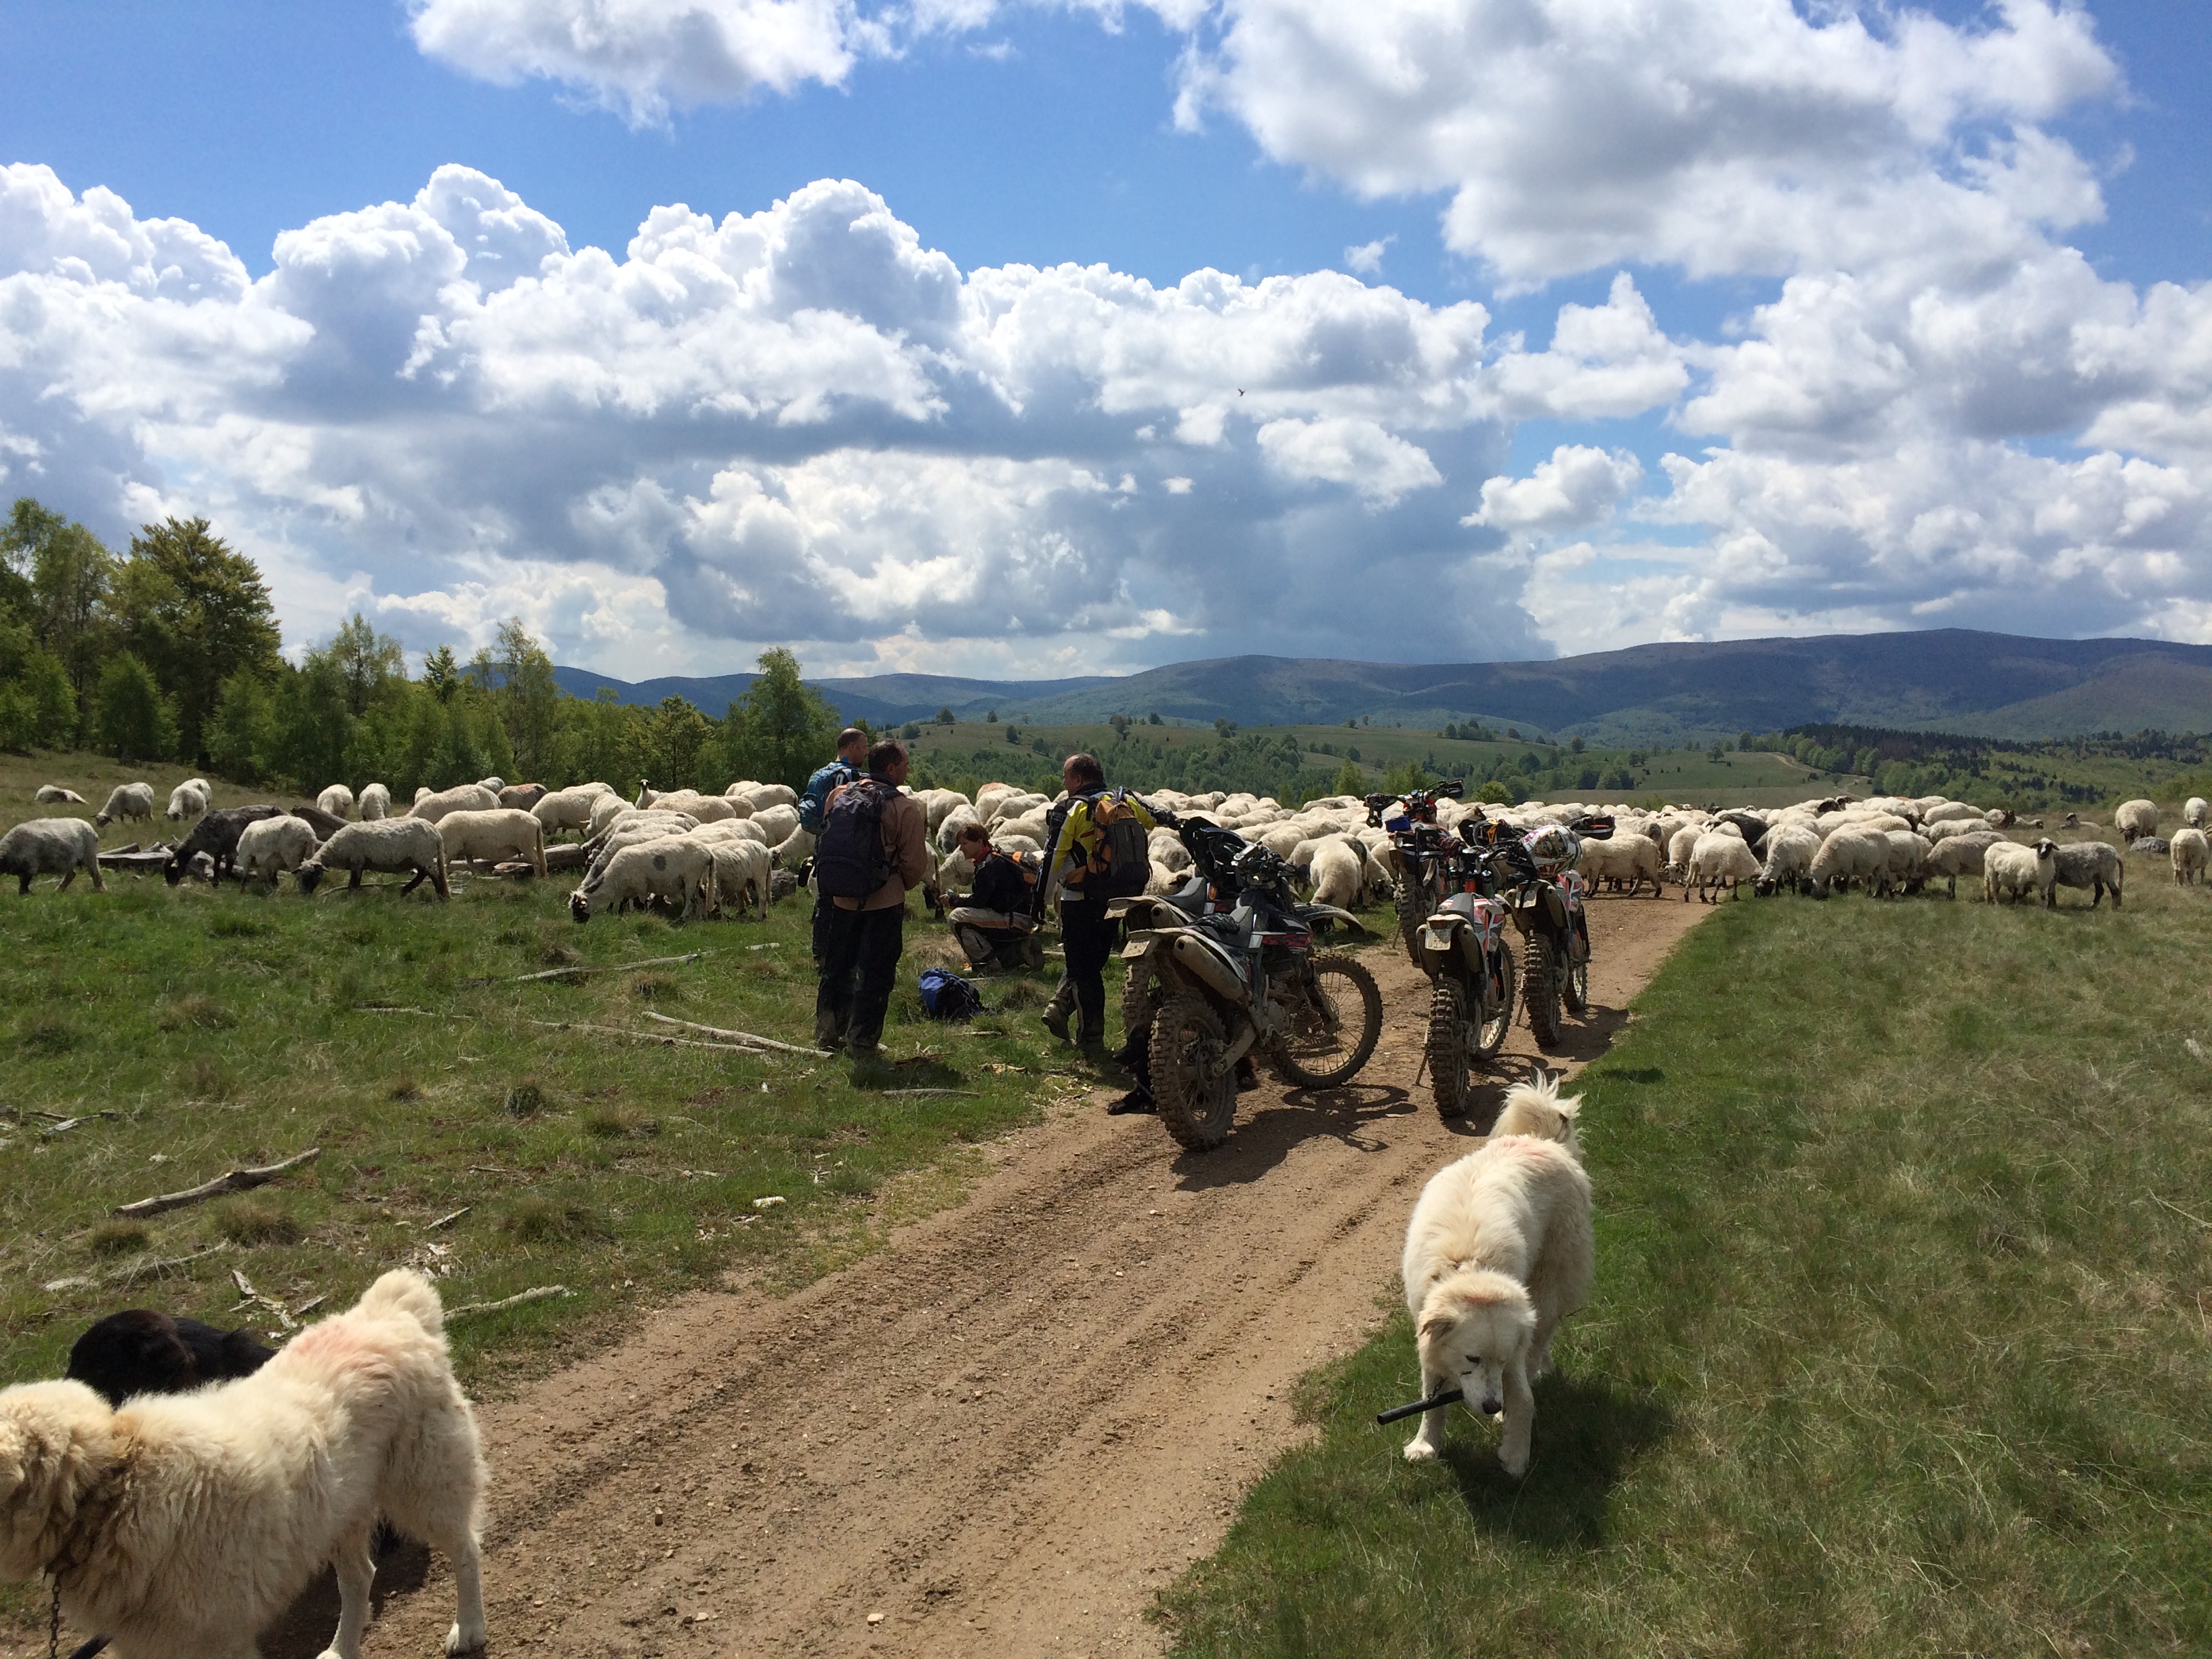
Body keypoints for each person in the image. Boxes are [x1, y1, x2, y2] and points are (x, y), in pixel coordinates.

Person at [1036, 753, 1167, 1063]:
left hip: (1080, 900)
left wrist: (1039, 902)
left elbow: (1054, 857)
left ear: (1079, 779)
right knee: (1091, 964)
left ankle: (1091, 1040)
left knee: (1084, 972)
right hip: (1116, 900)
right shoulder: (1125, 802)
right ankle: (1061, 1009)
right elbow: (1152, 819)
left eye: (1066, 778)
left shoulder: (1074, 808)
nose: (1064, 784)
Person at [813, 739, 928, 1064]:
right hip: (884, 902)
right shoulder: (905, 808)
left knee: (837, 966)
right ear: (891, 769)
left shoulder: (839, 795)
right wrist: (898, 885)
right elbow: (915, 865)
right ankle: (863, 1041)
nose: (908, 770)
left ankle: (828, 1030)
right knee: (876, 972)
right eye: (905, 765)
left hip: (841, 897)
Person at [800, 727, 870, 964]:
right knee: (852, 898)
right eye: (864, 746)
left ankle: (820, 952)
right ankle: (848, 953)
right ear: (852, 748)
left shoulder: (820, 775)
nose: (867, 752)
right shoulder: (857, 777)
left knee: (825, 898)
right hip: (853, 845)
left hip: (825, 844)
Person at [945, 821, 1041, 972]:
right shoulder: (994, 858)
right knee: (970, 917)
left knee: (957, 918)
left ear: (979, 842)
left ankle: (986, 964)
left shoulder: (988, 866)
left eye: (965, 844)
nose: (961, 848)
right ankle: (1020, 951)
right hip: (1019, 917)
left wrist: (954, 900)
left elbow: (979, 901)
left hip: (1013, 920)